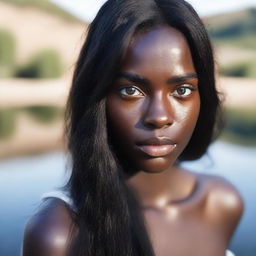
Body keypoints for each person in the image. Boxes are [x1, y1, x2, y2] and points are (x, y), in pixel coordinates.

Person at [22, 0, 244, 255]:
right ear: (97, 95)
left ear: (202, 95)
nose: (159, 117)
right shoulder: (58, 235)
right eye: (131, 91)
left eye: (182, 90)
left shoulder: (221, 203)